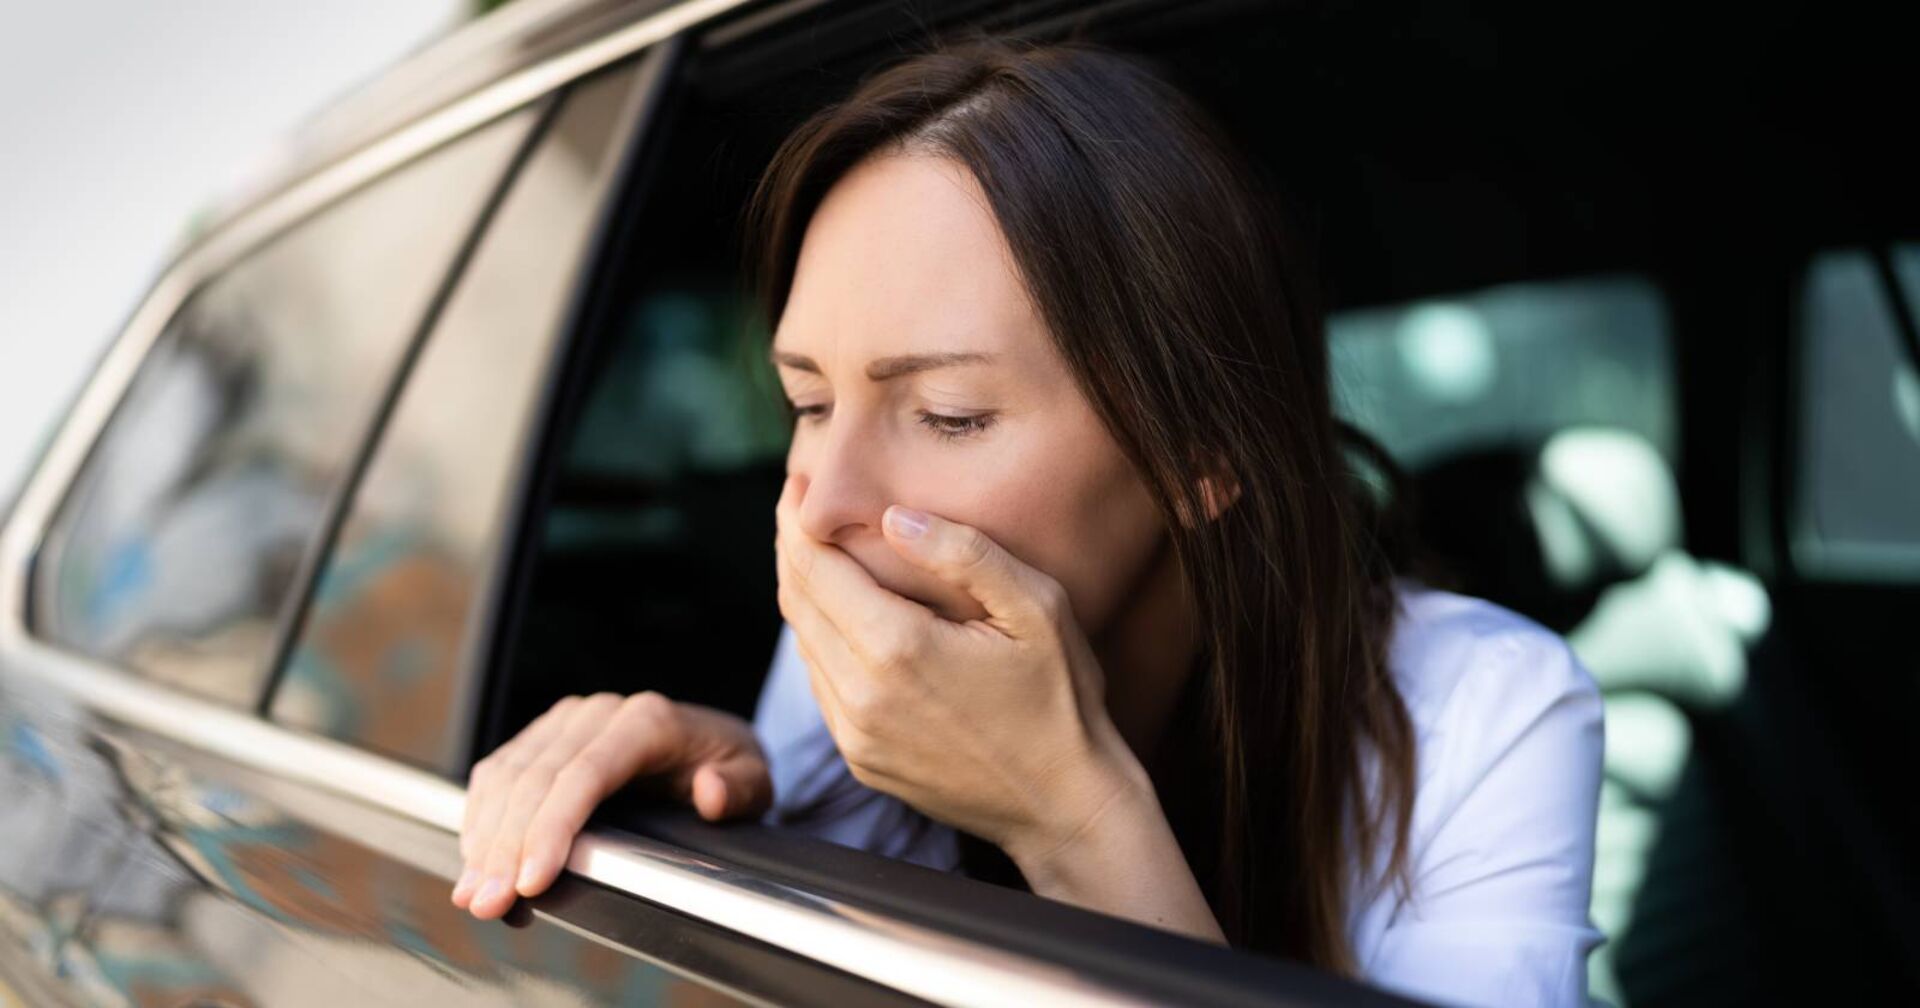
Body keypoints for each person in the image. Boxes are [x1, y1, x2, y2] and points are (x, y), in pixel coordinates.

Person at [452, 36, 1604, 1007]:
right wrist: (748, 810)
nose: (822, 506)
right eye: (807, 401)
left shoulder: (1485, 716)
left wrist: (1073, 814)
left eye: (946, 415)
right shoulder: (868, 627)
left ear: (1199, 454)